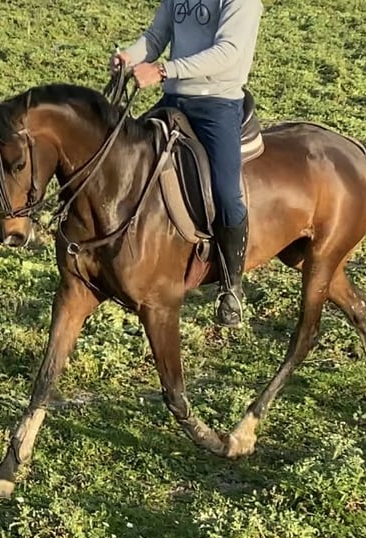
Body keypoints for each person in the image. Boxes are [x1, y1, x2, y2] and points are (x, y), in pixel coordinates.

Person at [112, 0, 264, 328]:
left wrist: (165, 70)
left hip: (218, 103)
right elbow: (156, 36)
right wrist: (130, 56)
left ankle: (231, 286)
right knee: (129, 164)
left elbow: (229, 52)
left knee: (226, 192)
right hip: (173, 99)